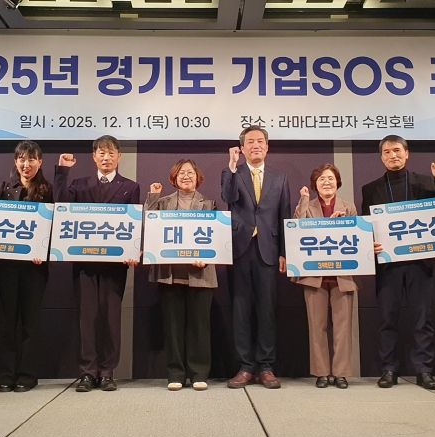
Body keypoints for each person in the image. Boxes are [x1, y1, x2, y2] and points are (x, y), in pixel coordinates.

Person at [361, 134, 435, 390]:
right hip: (388, 264)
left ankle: (424, 370)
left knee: (422, 318)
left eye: (397, 150)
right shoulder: (370, 189)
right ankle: (389, 369)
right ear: (381, 157)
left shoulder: (427, 182)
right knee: (387, 318)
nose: (393, 155)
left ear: (407, 153)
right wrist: (370, 242)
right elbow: (367, 225)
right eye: (387, 152)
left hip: (420, 262)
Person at [54, 135, 140, 392]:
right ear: (94, 157)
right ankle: (87, 372)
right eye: (101, 153)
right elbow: (61, 207)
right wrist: (62, 172)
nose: (106, 157)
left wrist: (133, 250)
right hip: (85, 262)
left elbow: (135, 223)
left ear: (119, 157)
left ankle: (107, 372)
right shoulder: (79, 185)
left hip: (115, 265)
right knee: (87, 318)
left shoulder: (130, 187)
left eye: (111, 153)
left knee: (111, 319)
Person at [0, 140, 52, 393]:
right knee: (7, 320)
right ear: (15, 161)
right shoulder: (6, 188)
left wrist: (43, 251)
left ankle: (27, 375)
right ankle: (5, 375)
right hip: (7, 266)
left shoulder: (47, 190)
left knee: (30, 322)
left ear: (40, 162)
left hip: (35, 268)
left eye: (31, 159)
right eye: (21, 159)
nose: (26, 164)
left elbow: (55, 225)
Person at [221, 125, 291, 389]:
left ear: (267, 146)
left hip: (268, 250)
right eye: (250, 142)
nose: (256, 145)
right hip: (240, 250)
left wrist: (284, 251)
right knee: (240, 310)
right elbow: (227, 197)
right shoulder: (232, 173)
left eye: (260, 141)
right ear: (242, 148)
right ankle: (245, 367)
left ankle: (266, 366)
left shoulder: (280, 178)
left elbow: (284, 215)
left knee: (267, 309)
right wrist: (231, 166)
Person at [145, 159, 217, 392]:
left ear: (198, 177)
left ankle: (199, 373)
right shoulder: (163, 202)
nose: (186, 176)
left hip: (200, 272)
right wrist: (153, 196)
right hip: (170, 273)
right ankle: (175, 373)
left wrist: (206, 256)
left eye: (190, 172)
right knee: (173, 326)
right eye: (181, 173)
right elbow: (148, 227)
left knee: (200, 327)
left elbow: (217, 237)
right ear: (174, 178)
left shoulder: (210, 204)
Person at [292, 164, 358, 389]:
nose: (326, 182)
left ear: (337, 182)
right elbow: (296, 229)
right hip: (314, 276)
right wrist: (303, 200)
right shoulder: (307, 205)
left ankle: (340, 373)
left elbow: (357, 237)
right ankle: (321, 372)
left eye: (330, 178)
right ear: (315, 184)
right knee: (316, 326)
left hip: (342, 275)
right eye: (321, 179)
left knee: (343, 328)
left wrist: (343, 224)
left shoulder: (348, 207)